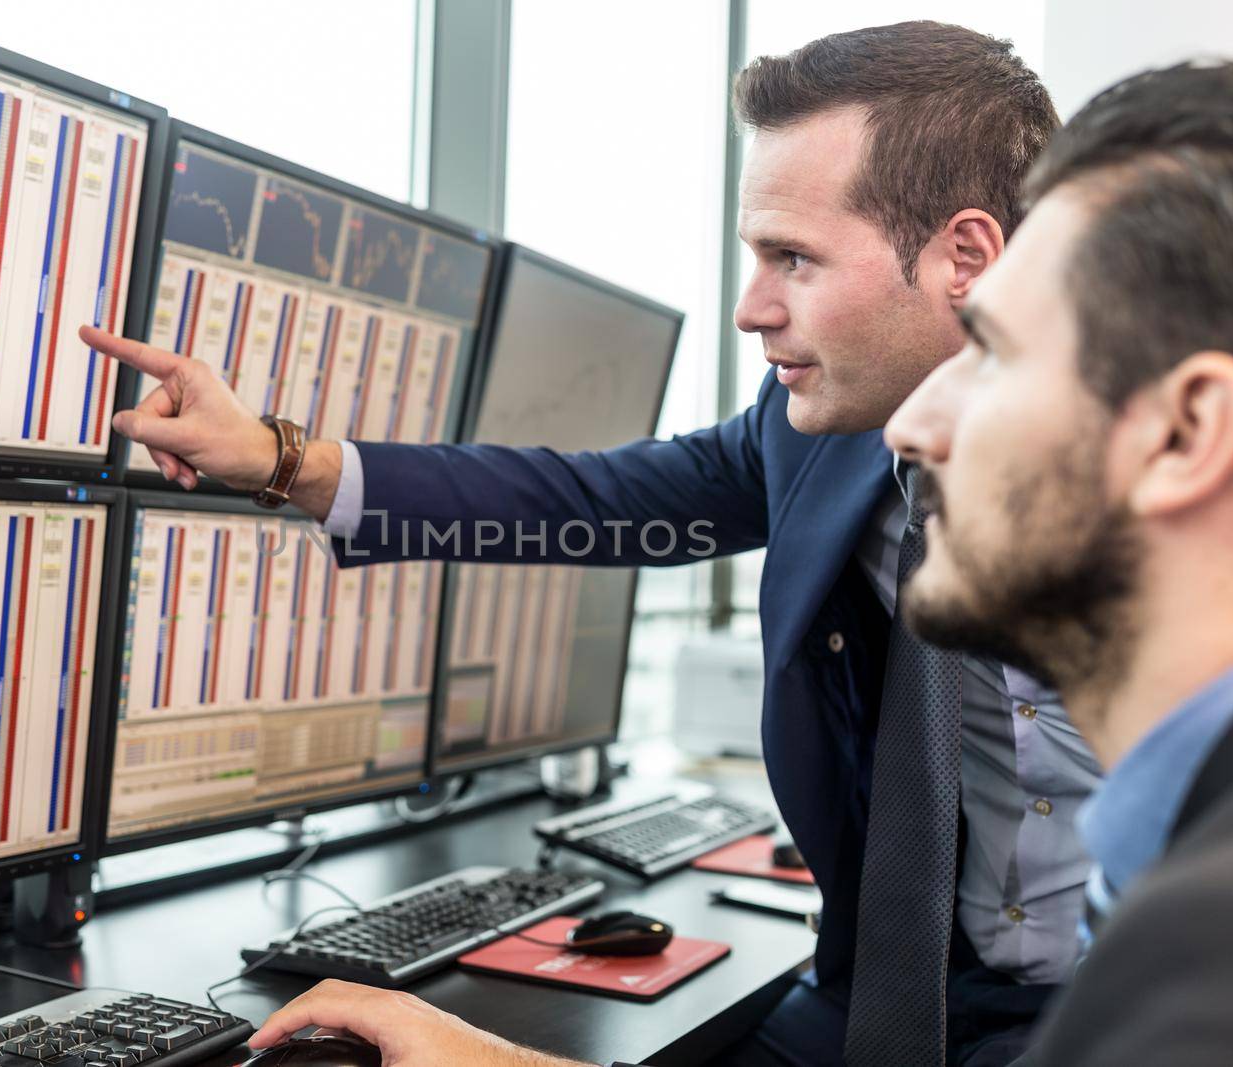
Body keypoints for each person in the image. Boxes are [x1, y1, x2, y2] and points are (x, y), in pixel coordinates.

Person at [87, 22, 1098, 1067]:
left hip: (1122, 1011)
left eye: (791, 257)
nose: (752, 309)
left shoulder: (1189, 490)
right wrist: (277, 457)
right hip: (897, 994)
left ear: (965, 258)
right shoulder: (816, 435)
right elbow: (596, 501)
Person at [882, 59, 1233, 1066]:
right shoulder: (1209, 849)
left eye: (992, 351)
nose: (912, 422)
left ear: (1185, 433)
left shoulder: (1221, 976)